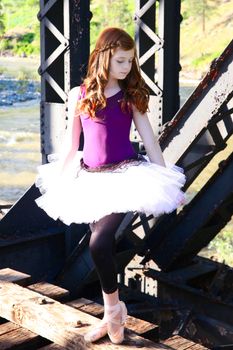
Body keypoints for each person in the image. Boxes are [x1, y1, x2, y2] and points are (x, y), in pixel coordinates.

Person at [35, 27, 186, 345]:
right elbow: (70, 146)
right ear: (103, 57)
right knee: (98, 245)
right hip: (89, 179)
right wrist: (59, 185)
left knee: (99, 244)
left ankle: (114, 311)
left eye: (130, 62)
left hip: (124, 178)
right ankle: (112, 313)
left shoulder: (130, 98)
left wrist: (170, 187)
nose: (126, 67)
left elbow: (151, 144)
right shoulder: (80, 94)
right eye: (120, 60)